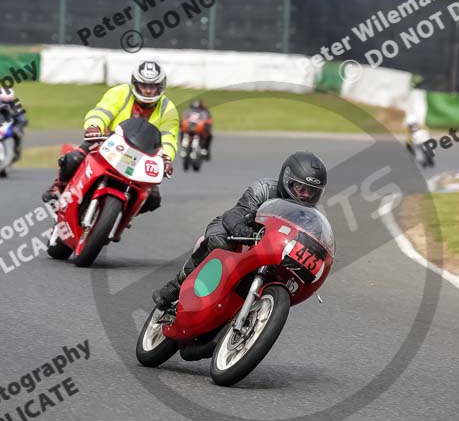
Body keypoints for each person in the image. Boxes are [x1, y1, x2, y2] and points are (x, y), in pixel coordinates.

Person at [152, 150, 327, 310]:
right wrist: (242, 230)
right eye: (300, 188)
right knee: (220, 243)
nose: (305, 195)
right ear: (286, 179)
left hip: (272, 253)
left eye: (311, 192)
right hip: (239, 235)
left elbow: (311, 248)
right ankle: (176, 286)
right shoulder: (264, 189)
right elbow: (236, 213)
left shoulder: (312, 219)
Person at [42, 60, 179, 210]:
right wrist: (94, 127)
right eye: (144, 85)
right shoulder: (120, 92)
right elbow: (102, 111)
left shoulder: (168, 108)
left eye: (153, 87)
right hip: (109, 142)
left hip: (142, 156)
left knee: (152, 199)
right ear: (135, 84)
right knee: (73, 159)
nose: (148, 91)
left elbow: (169, 136)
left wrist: (166, 158)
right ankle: (58, 187)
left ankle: (121, 218)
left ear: (161, 87)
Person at [0, 88, 28, 162]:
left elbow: (21, 117)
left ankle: (17, 149)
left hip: (12, 124)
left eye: (8, 100)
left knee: (18, 133)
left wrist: (20, 123)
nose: (6, 102)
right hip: (2, 124)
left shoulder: (16, 104)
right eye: (3, 100)